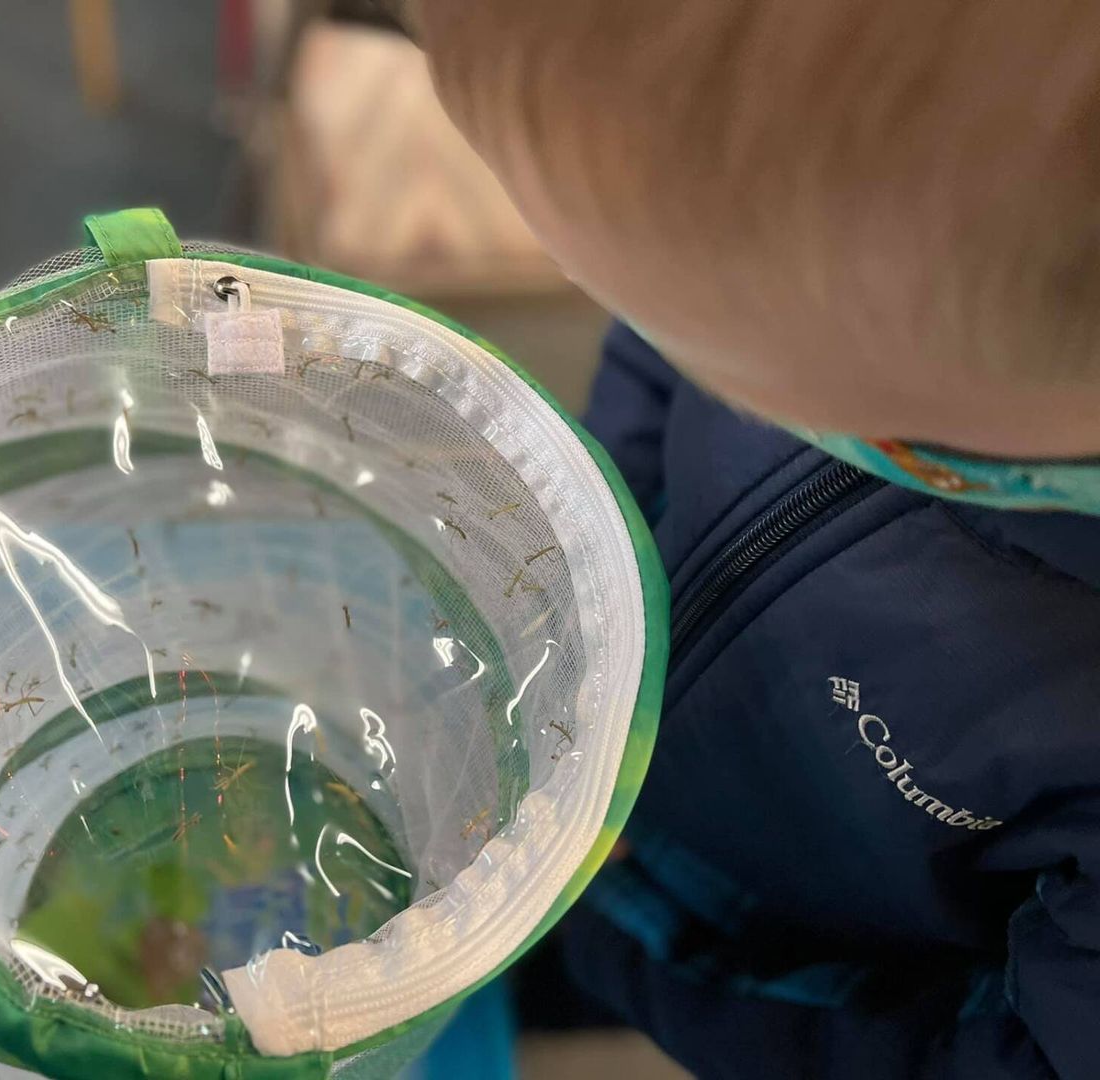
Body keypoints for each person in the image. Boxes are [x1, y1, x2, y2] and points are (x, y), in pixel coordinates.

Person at [394, 3, 1100, 1076]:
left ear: (888, 426)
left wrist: (635, 935)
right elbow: (655, 353)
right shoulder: (765, 253)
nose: (663, 337)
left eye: (726, 371)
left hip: (738, 944)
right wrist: (584, 576)